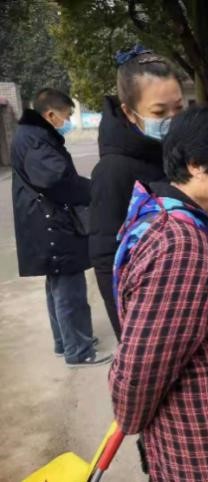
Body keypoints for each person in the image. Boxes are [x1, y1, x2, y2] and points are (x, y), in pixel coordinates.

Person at [109, 107, 208, 481]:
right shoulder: (182, 249)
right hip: (203, 456)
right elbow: (137, 377)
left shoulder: (182, 217)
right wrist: (131, 420)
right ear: (197, 164)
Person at [11, 88, 111, 367]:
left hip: (45, 221)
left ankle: (64, 342)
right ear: (51, 114)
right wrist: (94, 190)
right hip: (51, 223)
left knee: (57, 285)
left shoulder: (32, 135)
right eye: (66, 116)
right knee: (70, 289)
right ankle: (78, 351)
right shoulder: (36, 139)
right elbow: (56, 180)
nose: (67, 121)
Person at [90, 45, 183, 341]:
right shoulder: (112, 171)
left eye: (178, 108)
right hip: (149, 318)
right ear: (129, 113)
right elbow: (106, 261)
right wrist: (129, 336)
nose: (171, 118)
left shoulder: (172, 153)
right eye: (159, 112)